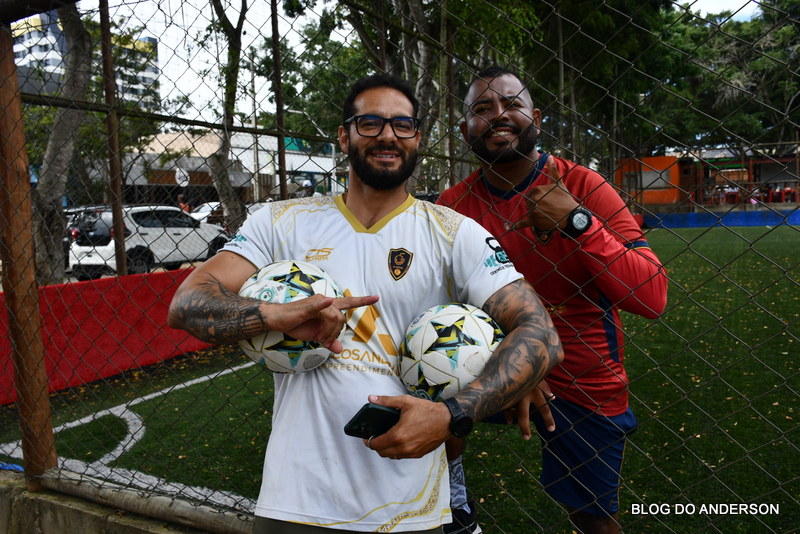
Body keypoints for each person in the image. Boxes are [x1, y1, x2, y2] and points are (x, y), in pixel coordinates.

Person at [168, 73, 563, 534]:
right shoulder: (279, 222)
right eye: (370, 123)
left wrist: (451, 415)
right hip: (294, 503)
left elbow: (542, 334)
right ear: (344, 135)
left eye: (402, 125)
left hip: (410, 510)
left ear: (418, 137)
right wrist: (274, 315)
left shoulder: (456, 233)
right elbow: (187, 302)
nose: (388, 135)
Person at [437, 66, 668, 534]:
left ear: (536, 118)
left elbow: (651, 296)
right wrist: (516, 367)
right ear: (465, 130)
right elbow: (441, 306)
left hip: (580, 375)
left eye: (512, 104)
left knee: (593, 519)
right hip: (489, 361)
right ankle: (451, 494)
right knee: (419, 384)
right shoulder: (452, 205)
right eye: (482, 108)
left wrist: (579, 222)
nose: (498, 115)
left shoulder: (584, 186)